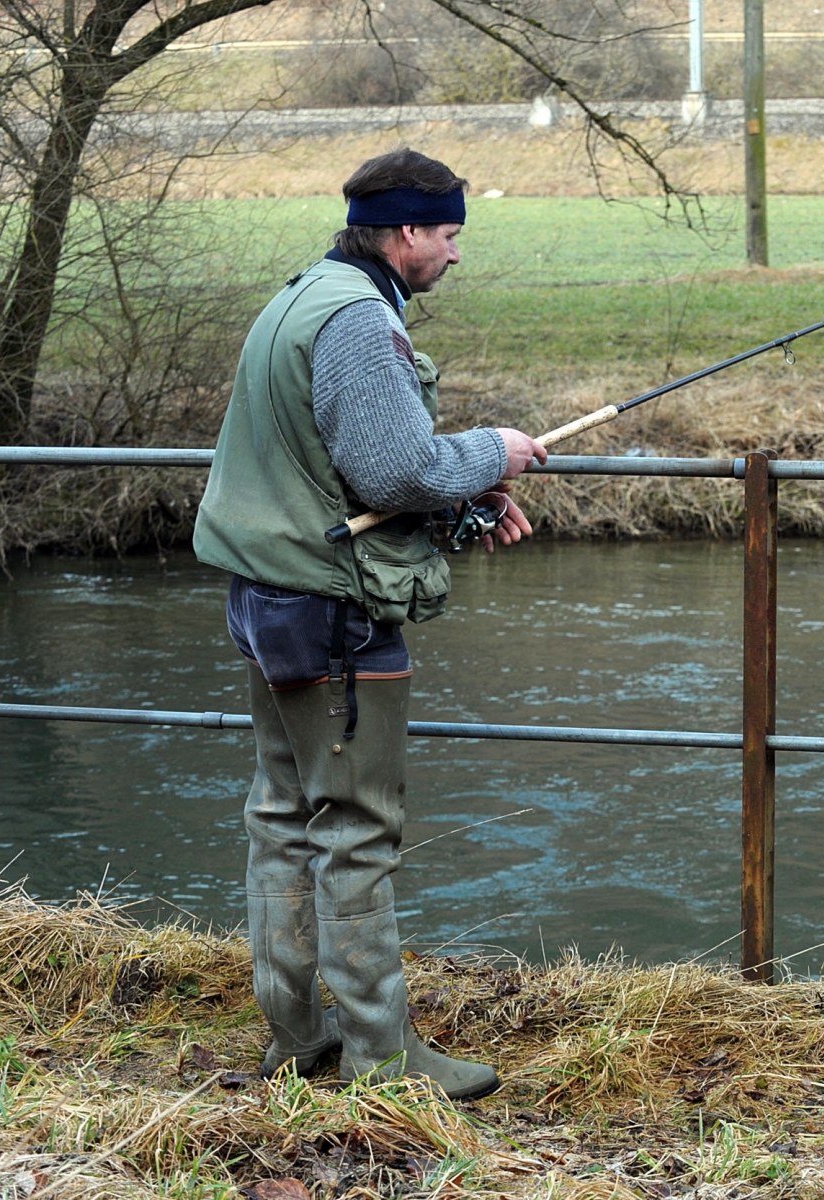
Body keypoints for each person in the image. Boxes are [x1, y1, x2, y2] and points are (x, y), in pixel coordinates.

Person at [192, 148, 545, 1101]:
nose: (455, 254)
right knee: (355, 827)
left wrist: (462, 501)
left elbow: (332, 467)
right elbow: (392, 471)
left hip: (267, 599)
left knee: (281, 815)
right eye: (448, 234)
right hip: (334, 613)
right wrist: (493, 450)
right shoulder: (356, 320)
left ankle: (297, 1040)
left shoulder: (302, 295)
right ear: (402, 234)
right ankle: (384, 1058)